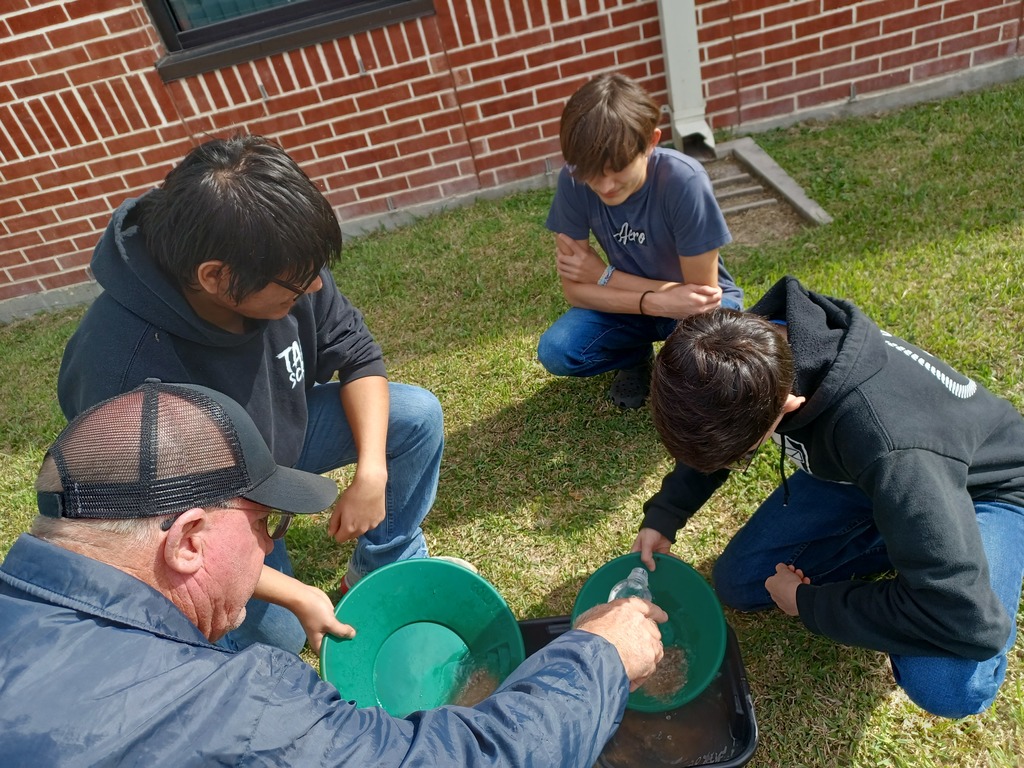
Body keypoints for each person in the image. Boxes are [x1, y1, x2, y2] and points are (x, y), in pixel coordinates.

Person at [0, 381, 667, 766]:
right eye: (267, 524)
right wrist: (599, 657)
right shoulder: (229, 708)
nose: (269, 550)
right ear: (189, 541)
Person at [57, 134, 461, 656]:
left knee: (415, 416)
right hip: (203, 500)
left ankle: (383, 563)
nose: (314, 289)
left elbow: (358, 355)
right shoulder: (121, 366)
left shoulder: (278, 257)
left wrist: (371, 473)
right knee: (281, 637)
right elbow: (152, 527)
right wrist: (290, 591)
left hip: (278, 444)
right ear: (216, 278)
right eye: (295, 284)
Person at [634, 276, 1024, 718]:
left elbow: (970, 624)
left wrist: (809, 604)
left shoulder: (891, 447)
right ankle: (906, 537)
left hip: (984, 490)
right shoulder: (752, 344)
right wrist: (665, 515)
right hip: (865, 475)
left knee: (947, 682)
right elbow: (716, 419)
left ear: (788, 405)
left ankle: (924, 546)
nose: (741, 457)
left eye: (746, 452)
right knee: (741, 581)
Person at [538, 72, 742, 409]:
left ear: (650, 141)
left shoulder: (683, 181)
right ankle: (634, 357)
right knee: (557, 350)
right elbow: (575, 291)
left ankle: (669, 368)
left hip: (699, 310)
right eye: (591, 172)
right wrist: (653, 302)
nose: (603, 186)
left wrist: (604, 276)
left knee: (705, 375)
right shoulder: (574, 179)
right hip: (639, 303)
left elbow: (699, 299)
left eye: (617, 168)